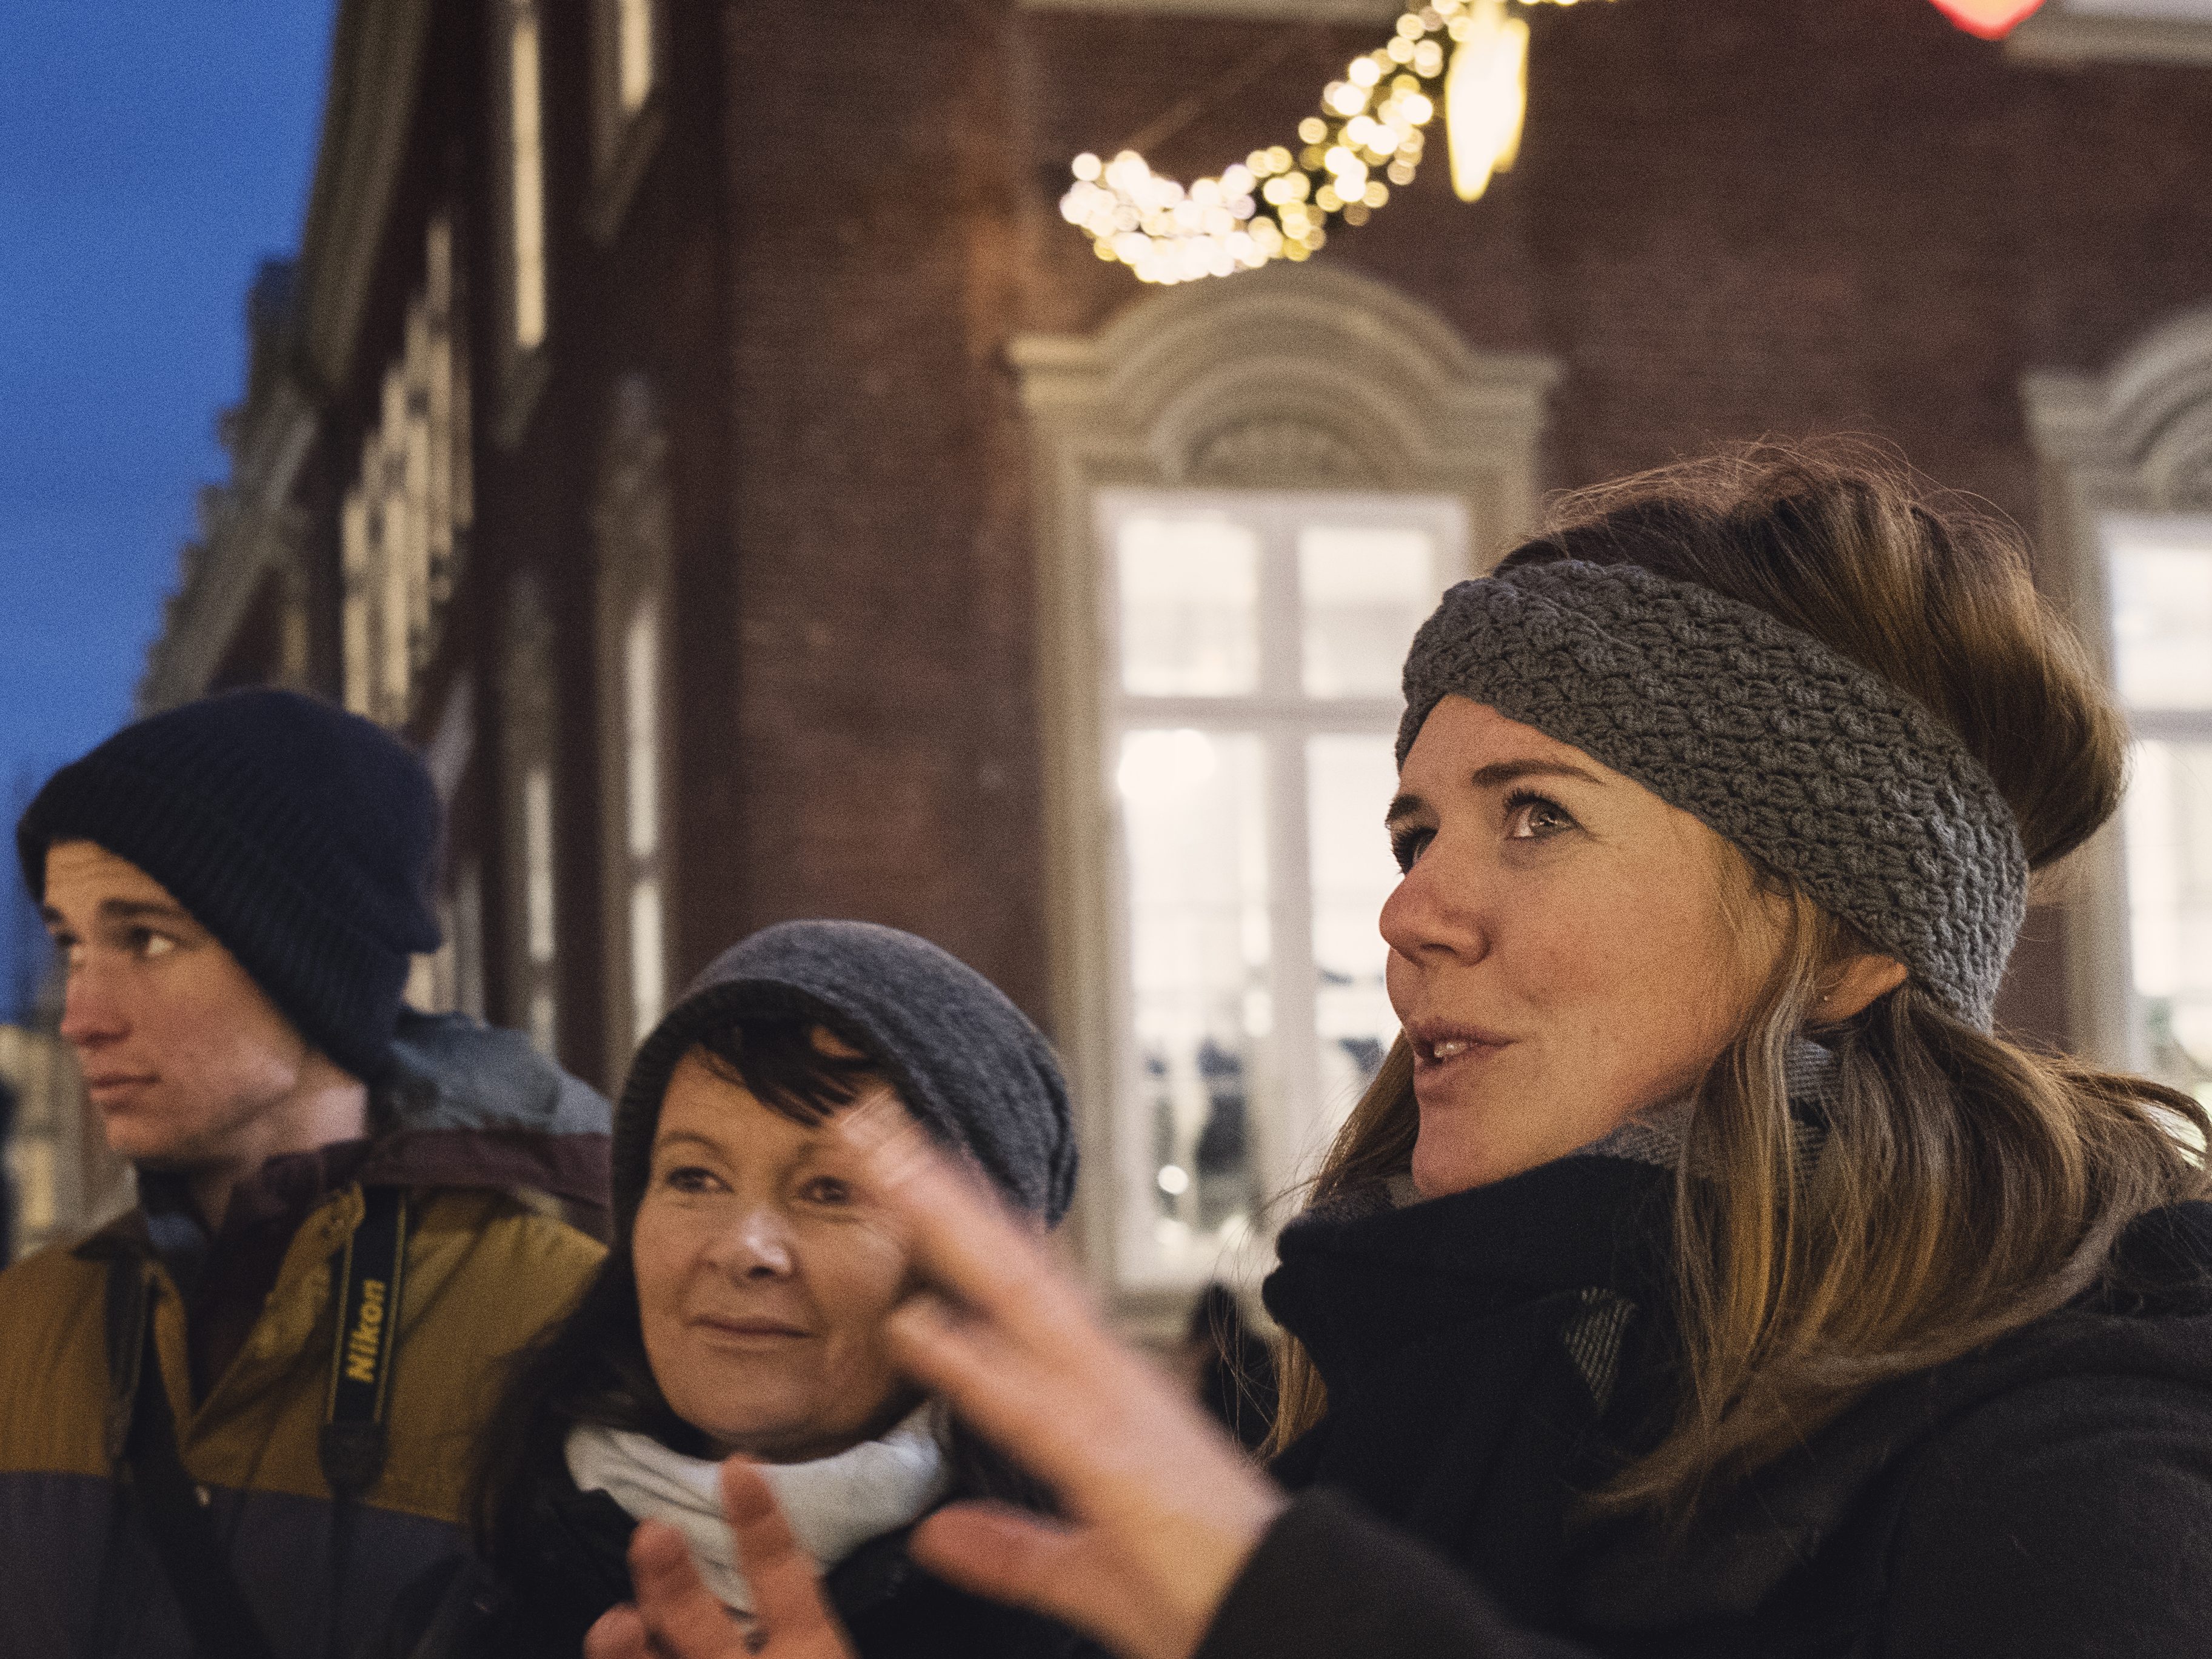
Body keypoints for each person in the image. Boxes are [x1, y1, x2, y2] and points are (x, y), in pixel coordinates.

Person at [593, 447, 2212, 1659]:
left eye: (1534, 815)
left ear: (1845, 939)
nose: (1409, 909)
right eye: (1412, 826)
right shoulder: (1357, 1395)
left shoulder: (2074, 1443)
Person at [0, 689, 612, 1659]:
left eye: (145, 939)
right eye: (71, 942)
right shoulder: (23, 1323)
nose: (82, 1015)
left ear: (307, 963)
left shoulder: (565, 1324)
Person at [375, 918, 1090, 1659]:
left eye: (829, 1190)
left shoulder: (1101, 1623)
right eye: (694, 1177)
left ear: (971, 1267)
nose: (744, 1248)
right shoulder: (461, 1620)